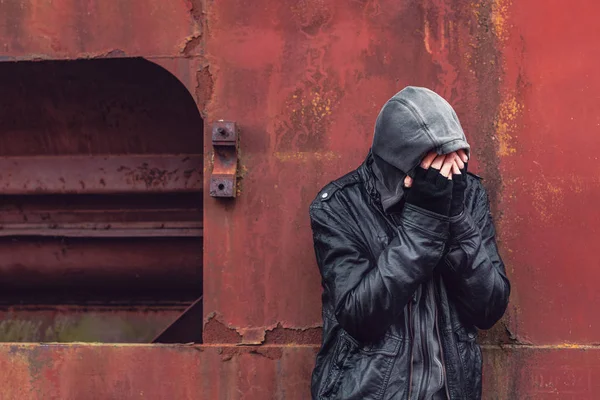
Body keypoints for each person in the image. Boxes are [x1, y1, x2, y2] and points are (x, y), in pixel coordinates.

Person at [309, 86, 510, 399]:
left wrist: (455, 216)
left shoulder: (468, 195)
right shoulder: (339, 206)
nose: (446, 174)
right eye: (433, 166)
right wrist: (423, 225)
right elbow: (361, 317)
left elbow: (488, 308)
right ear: (397, 166)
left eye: (452, 162)